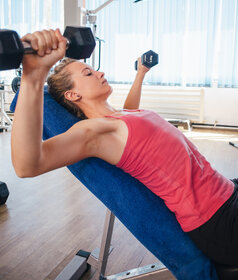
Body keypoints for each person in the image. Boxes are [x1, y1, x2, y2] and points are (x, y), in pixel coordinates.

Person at [11, 29, 238, 267]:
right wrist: (33, 77)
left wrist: (140, 73)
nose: (100, 72)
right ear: (73, 94)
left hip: (227, 191)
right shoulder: (95, 132)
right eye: (88, 73)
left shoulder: (123, 117)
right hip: (218, 219)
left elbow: (133, 115)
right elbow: (28, 165)